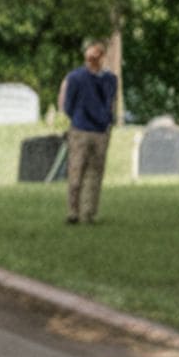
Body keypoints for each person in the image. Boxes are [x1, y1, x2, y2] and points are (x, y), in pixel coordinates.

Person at [57, 38, 119, 225]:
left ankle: (87, 213)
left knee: (93, 174)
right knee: (77, 173)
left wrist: (106, 120)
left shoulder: (109, 79)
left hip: (98, 131)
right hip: (82, 130)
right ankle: (74, 212)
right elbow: (68, 105)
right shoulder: (76, 78)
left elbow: (110, 102)